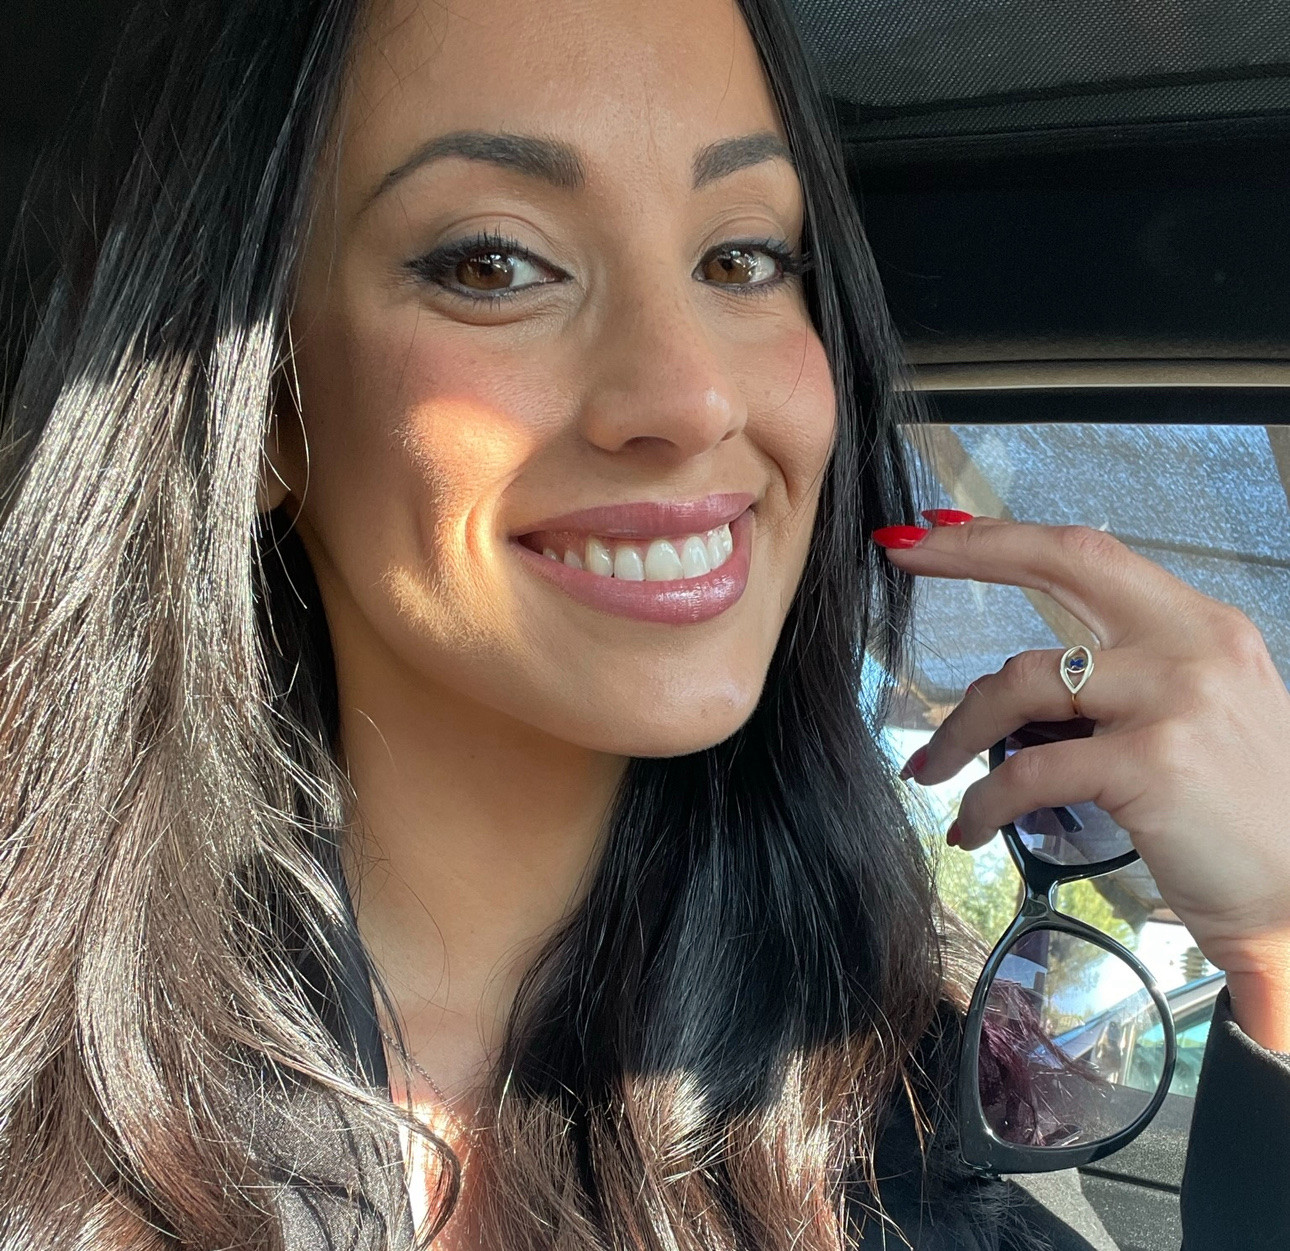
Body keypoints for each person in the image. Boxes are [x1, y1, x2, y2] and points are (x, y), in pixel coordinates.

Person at [0, 0, 1286, 1247]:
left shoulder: (905, 1128)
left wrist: (1277, 953)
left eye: (743, 257)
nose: (690, 396)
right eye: (494, 262)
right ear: (266, 405)